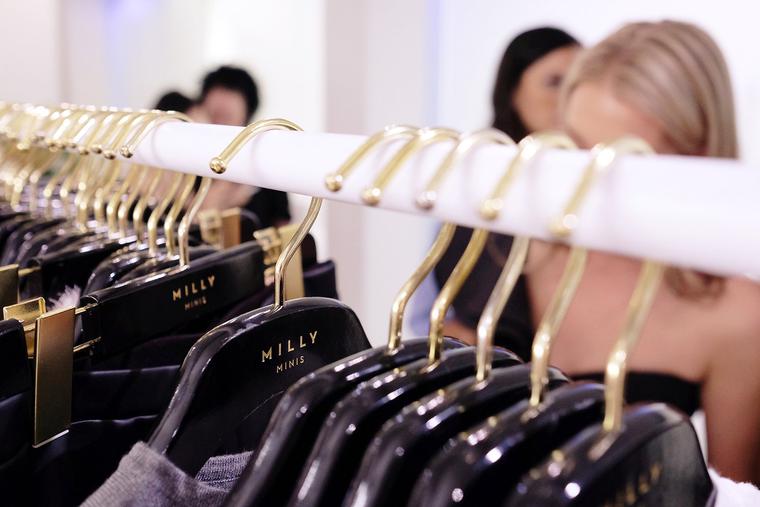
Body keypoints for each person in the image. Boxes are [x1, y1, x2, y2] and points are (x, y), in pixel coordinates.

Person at [449, 21, 760, 485]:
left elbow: (733, 493)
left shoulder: (736, 312)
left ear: (696, 155)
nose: (589, 185)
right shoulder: (507, 248)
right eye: (574, 149)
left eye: (625, 161)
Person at [432, 27, 581, 359]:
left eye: (579, 83)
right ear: (513, 91)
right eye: (555, 82)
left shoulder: (585, 183)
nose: (570, 97)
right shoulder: (480, 181)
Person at [198, 66, 291, 227]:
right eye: (214, 116)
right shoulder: (191, 163)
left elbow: (283, 226)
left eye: (227, 117)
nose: (219, 126)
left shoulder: (265, 165)